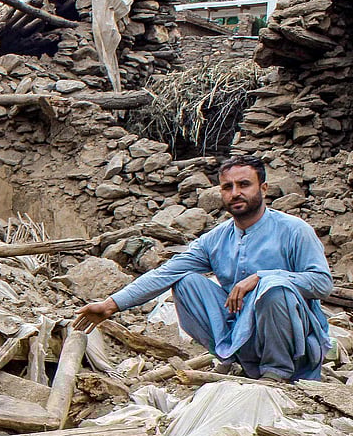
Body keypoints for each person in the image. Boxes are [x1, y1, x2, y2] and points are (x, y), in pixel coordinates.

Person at [72, 155, 332, 381]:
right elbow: (166, 272)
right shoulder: (216, 238)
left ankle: (278, 372)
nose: (235, 193)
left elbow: (322, 283)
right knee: (186, 282)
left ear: (263, 188)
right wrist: (110, 305)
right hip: (244, 331)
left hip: (295, 343)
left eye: (244, 185)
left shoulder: (294, 230)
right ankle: (235, 358)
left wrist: (262, 277)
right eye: (227, 187)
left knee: (274, 289)